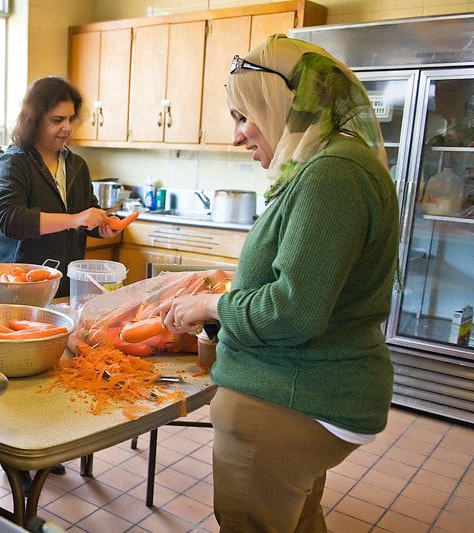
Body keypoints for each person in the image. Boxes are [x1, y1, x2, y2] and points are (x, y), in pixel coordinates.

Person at [161, 35, 399, 532]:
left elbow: (291, 311)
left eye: (244, 115)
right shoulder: (331, 164)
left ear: (284, 106)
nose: (237, 136)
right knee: (299, 521)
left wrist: (211, 306)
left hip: (287, 399)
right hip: (297, 393)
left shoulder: (331, 174)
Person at [0, 76, 121, 297]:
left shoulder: (76, 164)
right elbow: (9, 220)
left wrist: (102, 225)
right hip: (17, 285)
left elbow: (87, 213)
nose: (67, 128)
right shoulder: (14, 162)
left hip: (64, 286)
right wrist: (75, 219)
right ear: (34, 120)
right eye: (57, 120)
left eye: (70, 119)